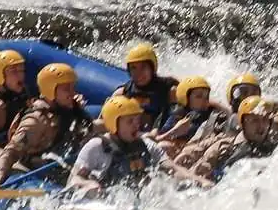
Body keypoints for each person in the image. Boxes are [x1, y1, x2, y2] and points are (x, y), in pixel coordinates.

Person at [70, 95, 212, 196]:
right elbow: (74, 179)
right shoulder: (96, 147)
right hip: (107, 201)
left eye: (137, 120)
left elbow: (173, 169)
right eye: (130, 121)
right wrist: (87, 184)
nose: (136, 125)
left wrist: (200, 181)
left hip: (135, 202)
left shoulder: (146, 144)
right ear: (114, 124)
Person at [0, 62, 93, 185]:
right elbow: (11, 151)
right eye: (66, 89)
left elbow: (90, 129)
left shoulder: (71, 110)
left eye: (73, 87)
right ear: (51, 90)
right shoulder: (36, 120)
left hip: (62, 159)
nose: (73, 93)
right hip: (40, 165)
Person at [190, 95, 278, 180]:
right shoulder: (223, 147)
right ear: (242, 123)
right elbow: (189, 175)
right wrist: (205, 178)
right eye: (254, 120)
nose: (261, 125)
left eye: (265, 119)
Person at [156, 75, 229, 160]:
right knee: (163, 145)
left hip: (201, 150)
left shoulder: (212, 113)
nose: (204, 100)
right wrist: (175, 131)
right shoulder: (177, 115)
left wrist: (217, 105)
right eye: (199, 96)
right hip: (181, 151)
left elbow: (230, 114)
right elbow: (159, 140)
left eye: (206, 96)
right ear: (185, 98)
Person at [110, 42, 179, 132]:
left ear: (152, 68)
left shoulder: (169, 90)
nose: (138, 73)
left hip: (159, 135)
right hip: (132, 136)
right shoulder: (123, 92)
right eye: (134, 68)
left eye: (143, 67)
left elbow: (176, 118)